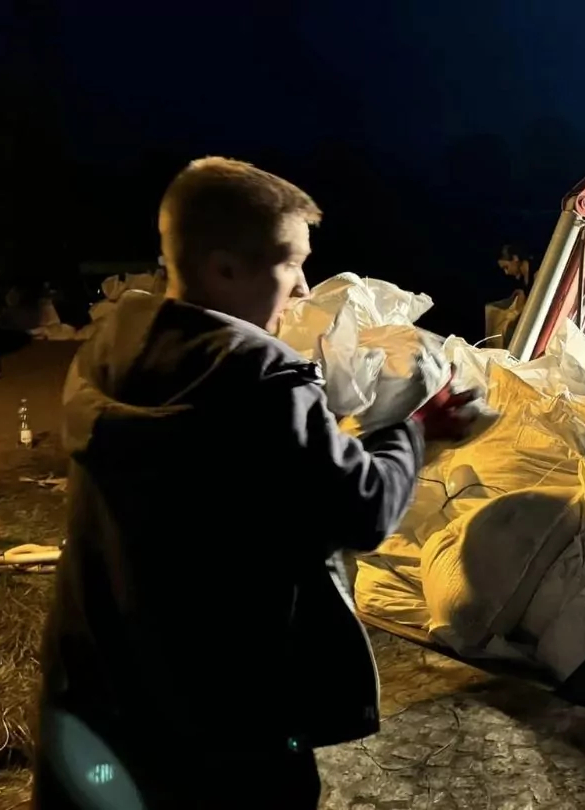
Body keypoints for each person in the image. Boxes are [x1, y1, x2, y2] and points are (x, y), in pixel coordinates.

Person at [33, 157, 479, 809]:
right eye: (290, 262)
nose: (303, 288)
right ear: (223, 268)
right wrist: (413, 431)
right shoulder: (261, 380)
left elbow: (230, 475)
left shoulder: (114, 344)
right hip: (225, 713)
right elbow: (366, 511)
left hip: (99, 690)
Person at [484, 242, 536, 349]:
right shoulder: (522, 278)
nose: (506, 272)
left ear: (515, 259)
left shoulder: (536, 272)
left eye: (506, 267)